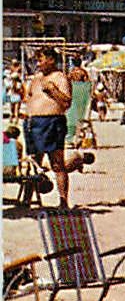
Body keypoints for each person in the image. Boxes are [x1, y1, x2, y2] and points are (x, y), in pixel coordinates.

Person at [22, 48, 73, 207]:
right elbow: (29, 97)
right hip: (33, 123)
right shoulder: (36, 78)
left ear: (51, 60)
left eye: (41, 60)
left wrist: (53, 90)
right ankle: (27, 199)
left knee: (57, 163)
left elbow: (66, 103)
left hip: (52, 122)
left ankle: (63, 200)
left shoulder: (60, 78)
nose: (38, 64)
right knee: (33, 163)